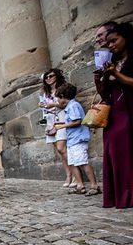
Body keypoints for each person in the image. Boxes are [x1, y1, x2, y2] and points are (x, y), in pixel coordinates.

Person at [94, 22, 133, 208]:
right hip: (114, 109)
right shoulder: (112, 62)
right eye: (108, 42)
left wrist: (116, 75)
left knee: (126, 149)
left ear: (126, 37)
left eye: (114, 40)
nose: (110, 45)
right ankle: (119, 194)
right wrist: (99, 80)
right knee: (113, 150)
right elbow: (104, 94)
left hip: (129, 106)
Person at [51, 83, 100, 196]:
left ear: (63, 96)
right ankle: (80, 185)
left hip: (78, 139)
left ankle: (94, 186)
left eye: (58, 98)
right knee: (72, 163)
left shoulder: (73, 105)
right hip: (73, 139)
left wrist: (62, 126)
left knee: (83, 162)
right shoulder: (69, 107)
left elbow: (77, 121)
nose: (57, 100)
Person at [39, 68, 74, 188]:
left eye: (51, 76)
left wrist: (52, 104)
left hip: (61, 118)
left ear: (57, 76)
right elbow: (45, 107)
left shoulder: (63, 89)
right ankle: (68, 174)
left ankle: (75, 175)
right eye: (46, 77)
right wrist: (43, 106)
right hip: (50, 120)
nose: (49, 79)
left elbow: (68, 103)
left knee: (62, 148)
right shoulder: (46, 93)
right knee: (59, 151)